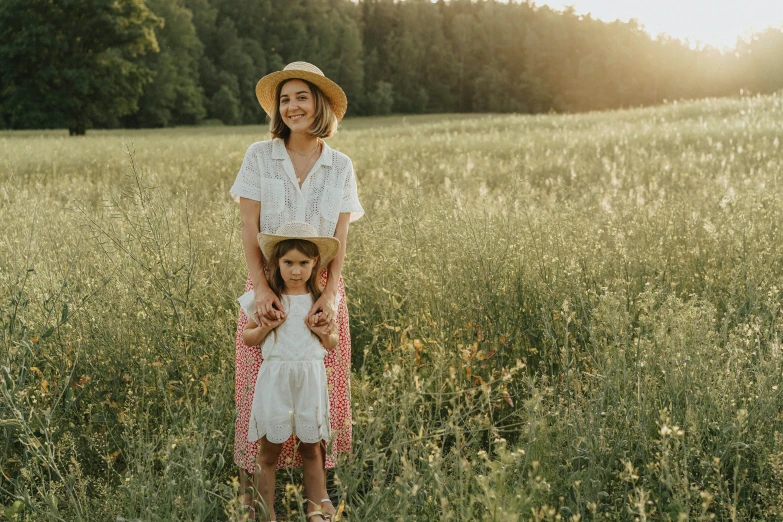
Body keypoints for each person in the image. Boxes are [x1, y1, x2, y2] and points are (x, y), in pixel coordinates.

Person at [229, 61, 363, 520]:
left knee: (317, 386)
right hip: (268, 283)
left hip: (321, 288)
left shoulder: (340, 165)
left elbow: (340, 241)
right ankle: (252, 496)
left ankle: (317, 498)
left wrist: (331, 296)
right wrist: (263, 288)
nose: (292, 107)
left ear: (320, 104)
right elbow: (249, 227)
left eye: (301, 97)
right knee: (256, 386)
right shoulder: (259, 156)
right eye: (284, 99)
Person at [239, 222, 340, 522]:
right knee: (268, 452)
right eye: (288, 263)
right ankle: (266, 512)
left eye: (303, 263)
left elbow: (331, 342)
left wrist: (322, 333)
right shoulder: (267, 299)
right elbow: (247, 337)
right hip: (276, 381)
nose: (296, 270)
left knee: (312, 449)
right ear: (276, 263)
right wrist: (266, 326)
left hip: (310, 379)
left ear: (314, 264)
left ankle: (315, 508)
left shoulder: (320, 301)